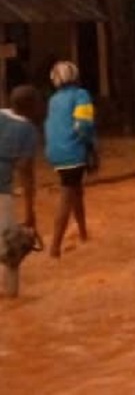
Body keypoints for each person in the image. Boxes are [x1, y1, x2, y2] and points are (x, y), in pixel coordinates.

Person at [44, 61, 96, 259]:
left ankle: (83, 232)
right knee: (67, 195)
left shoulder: (54, 100)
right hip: (72, 151)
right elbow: (84, 125)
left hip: (55, 152)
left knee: (76, 190)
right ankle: (55, 246)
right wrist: (90, 147)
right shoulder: (81, 95)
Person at [0, 86, 43, 297]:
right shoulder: (28, 131)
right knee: (11, 247)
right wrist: (30, 211)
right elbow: (26, 172)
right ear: (32, 107)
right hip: (1, 190)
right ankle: (11, 295)